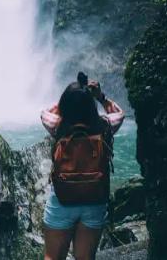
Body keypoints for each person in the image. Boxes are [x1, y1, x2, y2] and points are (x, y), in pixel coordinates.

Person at [40, 72, 126, 260]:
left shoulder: (58, 126)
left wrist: (69, 99)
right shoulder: (104, 126)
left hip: (62, 199)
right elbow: (119, 113)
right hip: (95, 200)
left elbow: (45, 114)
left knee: (52, 257)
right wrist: (99, 97)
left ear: (64, 105)